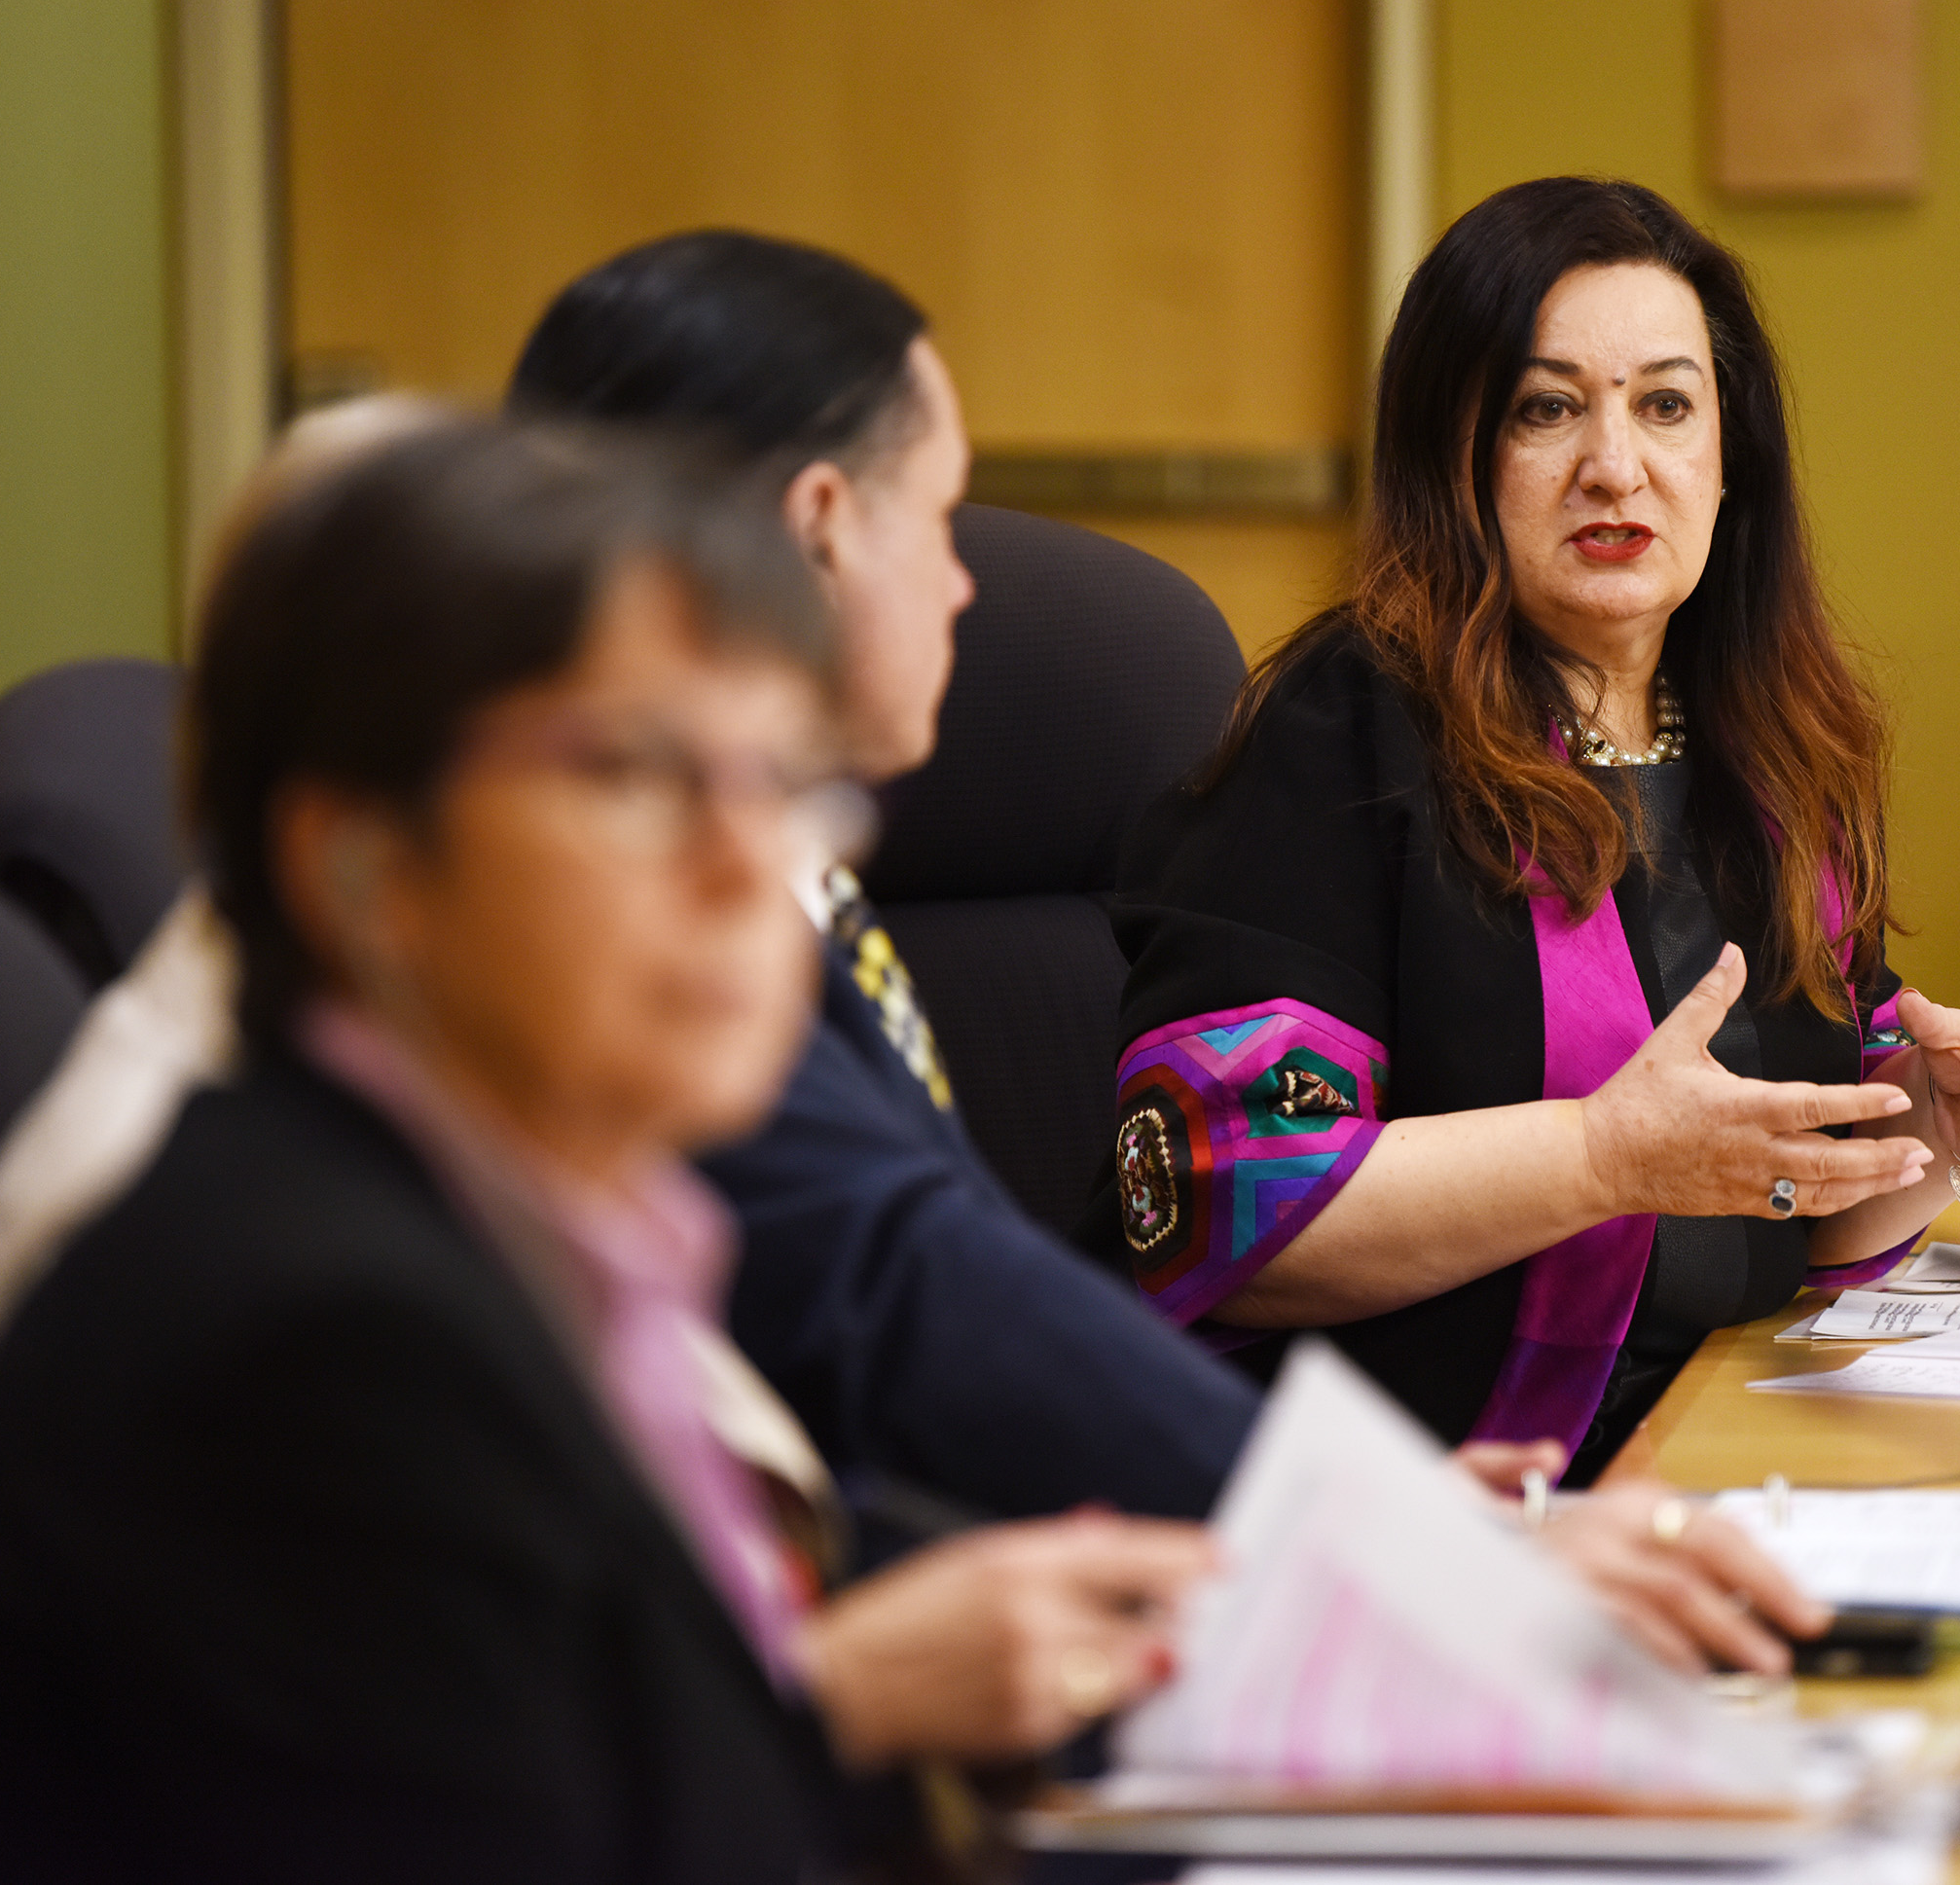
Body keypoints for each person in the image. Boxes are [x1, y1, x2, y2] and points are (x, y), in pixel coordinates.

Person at [0, 417, 1215, 1882]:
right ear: (360, 862)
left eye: (782, 785)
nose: (752, 865)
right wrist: (834, 1716)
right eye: (640, 775)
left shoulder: (528, 1217)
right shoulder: (312, 1335)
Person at [507, 230, 1825, 1671]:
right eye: (940, 520)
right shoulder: (635, 936)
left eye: (1668, 405)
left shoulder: (751, 885)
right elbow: (921, 1287)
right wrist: (1378, 1533)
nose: (963, 587)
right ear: (819, 525)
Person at [1092, 177, 1960, 1479]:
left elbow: (1779, 1205)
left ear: (1731, 458)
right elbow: (1220, 1198)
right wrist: (1600, 1156)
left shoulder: (1767, 737)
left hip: (1717, 1446)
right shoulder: (1345, 730)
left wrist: (1926, 1124)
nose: (1615, 467)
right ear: (1457, 455)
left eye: (1666, 406)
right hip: (1437, 1500)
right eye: (1547, 408)